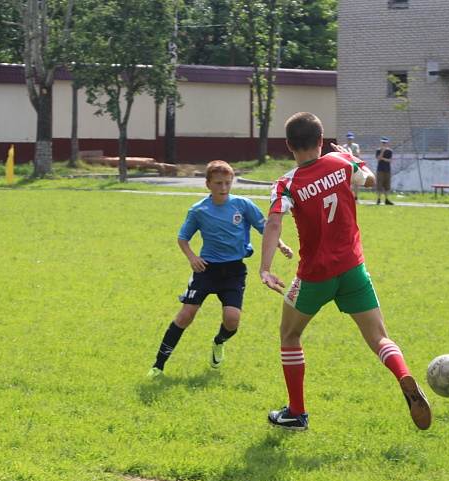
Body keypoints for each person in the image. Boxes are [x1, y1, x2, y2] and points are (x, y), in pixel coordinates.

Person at [259, 112, 432, 432]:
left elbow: (274, 221)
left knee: (290, 334)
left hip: (315, 275)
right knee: (379, 336)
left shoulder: (286, 183)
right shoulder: (341, 164)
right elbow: (367, 179)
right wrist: (352, 157)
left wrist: (266, 269)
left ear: (289, 146)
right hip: (353, 269)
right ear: (321, 141)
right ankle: (402, 374)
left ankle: (296, 413)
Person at [147, 160, 293, 378]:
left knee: (232, 319)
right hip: (206, 269)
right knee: (186, 315)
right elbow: (183, 238)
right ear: (208, 184)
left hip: (234, 271)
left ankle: (218, 342)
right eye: (218, 183)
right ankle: (158, 366)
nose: (223, 188)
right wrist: (192, 258)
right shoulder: (198, 210)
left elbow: (266, 228)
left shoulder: (243, 205)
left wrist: (281, 244)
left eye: (227, 183)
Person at [375, 137, 394, 205]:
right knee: (379, 185)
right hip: (380, 169)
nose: (384, 144)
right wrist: (382, 151)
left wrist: (383, 158)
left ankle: (386, 199)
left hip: (387, 170)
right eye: (383, 143)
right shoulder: (378, 150)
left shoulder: (390, 151)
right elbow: (378, 159)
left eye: (385, 143)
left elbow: (390, 160)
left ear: (387, 143)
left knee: (387, 185)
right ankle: (379, 199)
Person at [346, 132, 361, 201]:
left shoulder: (355, 146)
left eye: (351, 139)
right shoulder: (344, 146)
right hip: (347, 164)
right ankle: (349, 197)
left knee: (356, 181)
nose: (350, 140)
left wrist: (349, 154)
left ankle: (356, 197)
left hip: (354, 164)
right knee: (348, 182)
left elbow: (357, 153)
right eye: (349, 139)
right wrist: (351, 154)